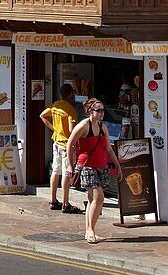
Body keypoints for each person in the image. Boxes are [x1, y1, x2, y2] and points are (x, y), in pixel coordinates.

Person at [67, 97, 119, 244]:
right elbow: (70, 144)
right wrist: (71, 165)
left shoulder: (103, 127)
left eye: (103, 110)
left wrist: (117, 164)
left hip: (101, 166)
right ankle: (90, 231)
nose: (102, 113)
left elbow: (108, 148)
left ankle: (90, 230)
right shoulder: (83, 126)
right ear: (90, 111)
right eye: (99, 110)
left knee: (92, 199)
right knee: (99, 197)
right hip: (87, 166)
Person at [40, 83, 78, 213]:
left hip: (56, 142)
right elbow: (72, 130)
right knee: (67, 173)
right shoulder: (70, 110)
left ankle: (54, 200)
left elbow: (42, 116)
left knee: (55, 171)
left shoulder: (55, 105)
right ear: (70, 94)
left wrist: (54, 128)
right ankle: (66, 203)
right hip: (66, 144)